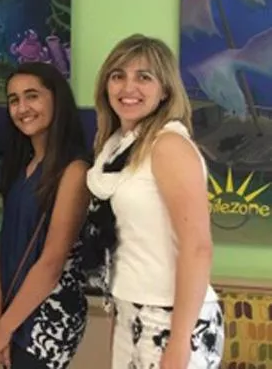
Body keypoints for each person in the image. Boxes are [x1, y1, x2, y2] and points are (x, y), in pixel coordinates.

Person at [88, 34, 223, 368]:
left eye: (143, 77)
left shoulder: (168, 145)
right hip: (129, 308)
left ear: (165, 90)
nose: (127, 87)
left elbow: (198, 247)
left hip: (172, 318)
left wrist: (179, 342)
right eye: (118, 76)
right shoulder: (116, 147)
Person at [0, 62, 90, 368]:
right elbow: (5, 241)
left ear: (57, 99)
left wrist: (4, 327)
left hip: (48, 317)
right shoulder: (20, 167)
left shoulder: (74, 171)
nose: (22, 107)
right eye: (14, 99)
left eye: (32, 96)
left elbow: (52, 262)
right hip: (11, 314)